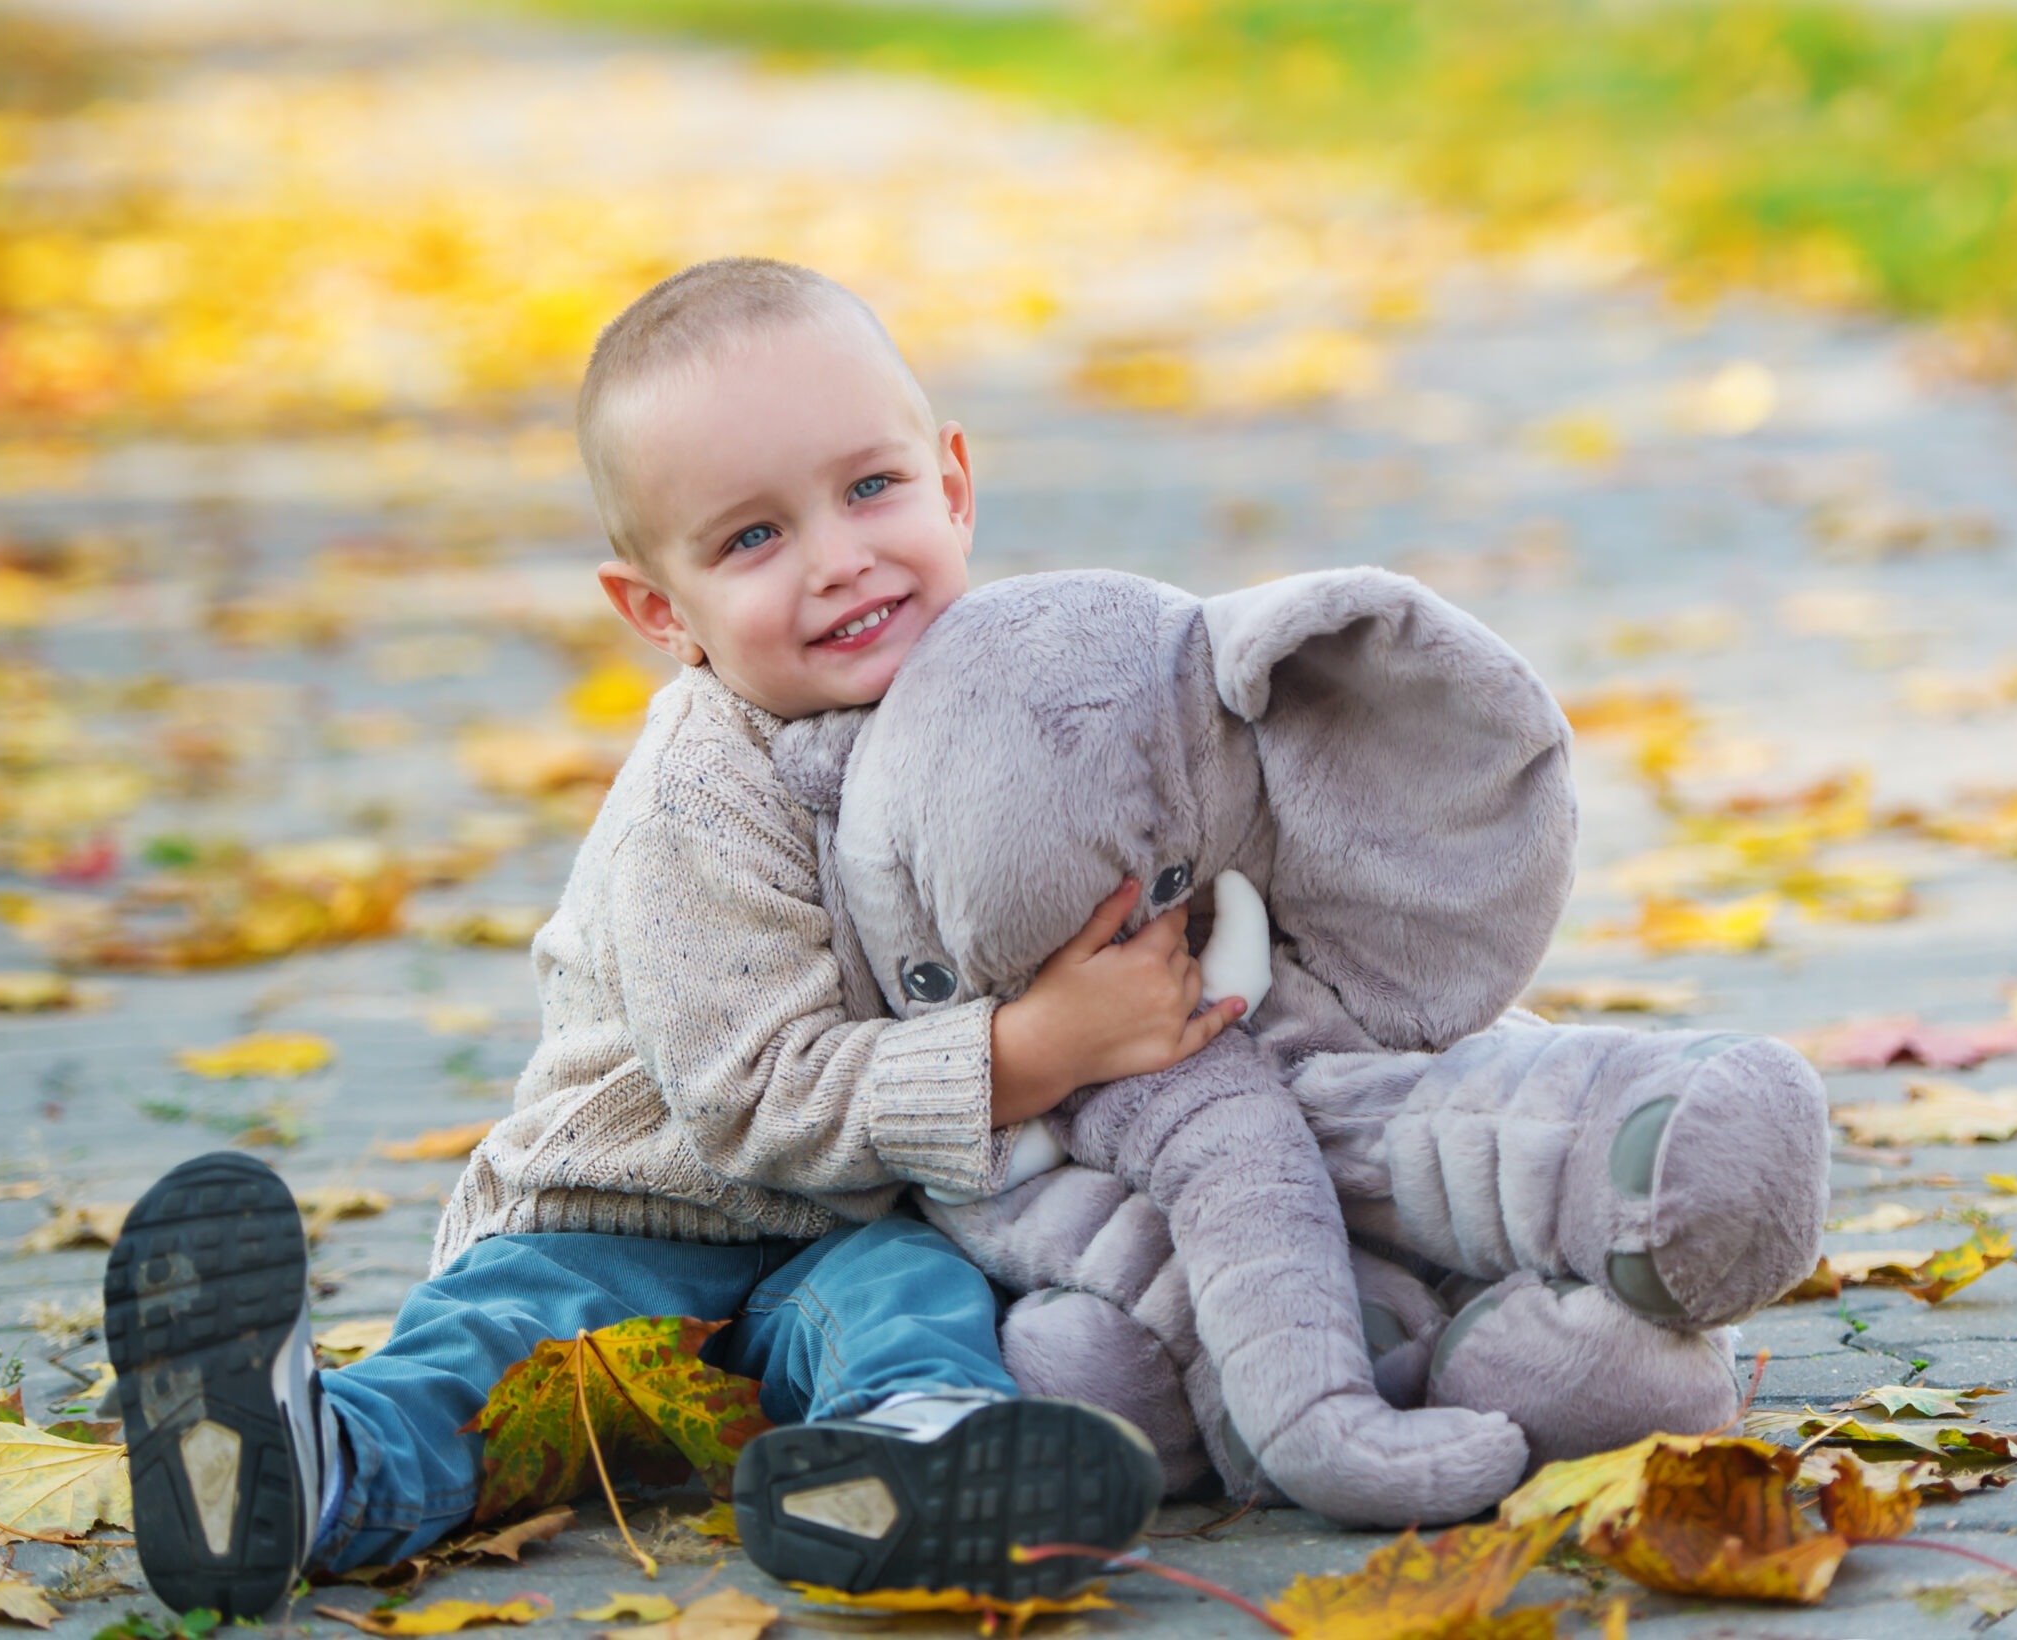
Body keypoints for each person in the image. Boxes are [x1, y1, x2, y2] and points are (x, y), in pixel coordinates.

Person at [101, 258, 1247, 1618]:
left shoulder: (1017, 705)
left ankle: (914, 1465)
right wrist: (1030, 1052)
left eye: (870, 488)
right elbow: (754, 1103)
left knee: (909, 1304)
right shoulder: (698, 798)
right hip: (622, 1219)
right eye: (753, 539)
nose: (839, 559)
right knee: (495, 1352)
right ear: (659, 611)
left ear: (953, 483)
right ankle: (310, 1462)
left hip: (846, 1235)